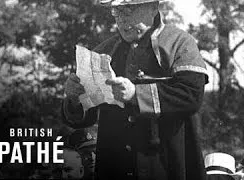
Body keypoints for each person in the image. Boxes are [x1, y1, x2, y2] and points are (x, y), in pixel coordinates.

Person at [62, 0, 209, 179]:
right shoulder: (104, 50)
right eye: (117, 11)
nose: (122, 19)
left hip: (167, 165)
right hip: (115, 166)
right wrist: (74, 98)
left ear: (153, 8)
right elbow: (83, 118)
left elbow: (191, 95)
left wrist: (135, 95)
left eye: (129, 9)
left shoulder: (179, 42)